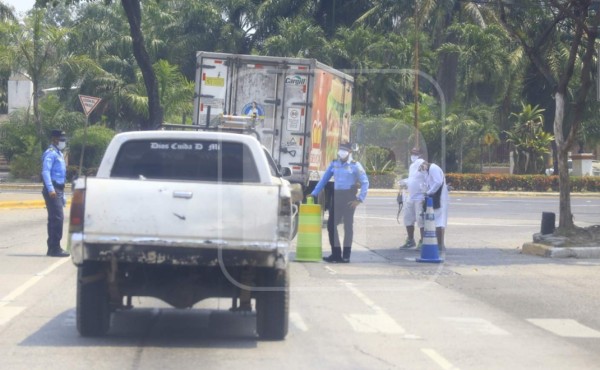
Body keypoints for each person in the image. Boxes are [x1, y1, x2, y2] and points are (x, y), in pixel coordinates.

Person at [310, 142, 369, 263]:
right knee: (331, 226)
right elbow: (324, 180)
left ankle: (346, 255)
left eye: (344, 150)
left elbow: (365, 182)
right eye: (340, 149)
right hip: (336, 196)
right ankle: (336, 254)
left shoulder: (355, 165)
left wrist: (359, 199)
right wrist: (314, 193)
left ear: (350, 152)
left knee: (348, 227)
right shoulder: (334, 164)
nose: (342, 152)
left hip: (349, 197)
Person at [41, 129, 69, 257]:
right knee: (58, 218)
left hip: (59, 188)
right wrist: (51, 189)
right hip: (52, 189)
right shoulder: (50, 153)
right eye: (61, 139)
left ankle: (52, 247)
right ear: (54, 139)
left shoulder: (59, 154)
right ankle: (55, 247)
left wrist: (62, 195)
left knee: (54, 218)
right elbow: (46, 172)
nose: (63, 142)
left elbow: (61, 175)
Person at [399, 147, 427, 249]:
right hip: (410, 195)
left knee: (421, 220)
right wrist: (405, 182)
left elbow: (426, 174)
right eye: (412, 152)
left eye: (415, 153)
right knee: (407, 218)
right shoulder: (411, 166)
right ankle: (410, 240)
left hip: (420, 196)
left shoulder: (423, 163)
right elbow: (413, 178)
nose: (413, 155)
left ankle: (423, 241)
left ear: (420, 154)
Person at [419, 161, 449, 251]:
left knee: (439, 221)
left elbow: (438, 182)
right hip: (436, 197)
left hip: (439, 198)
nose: (422, 170)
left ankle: (440, 244)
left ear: (424, 165)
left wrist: (429, 192)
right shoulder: (429, 171)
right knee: (437, 220)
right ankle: (439, 244)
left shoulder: (433, 168)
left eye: (421, 168)